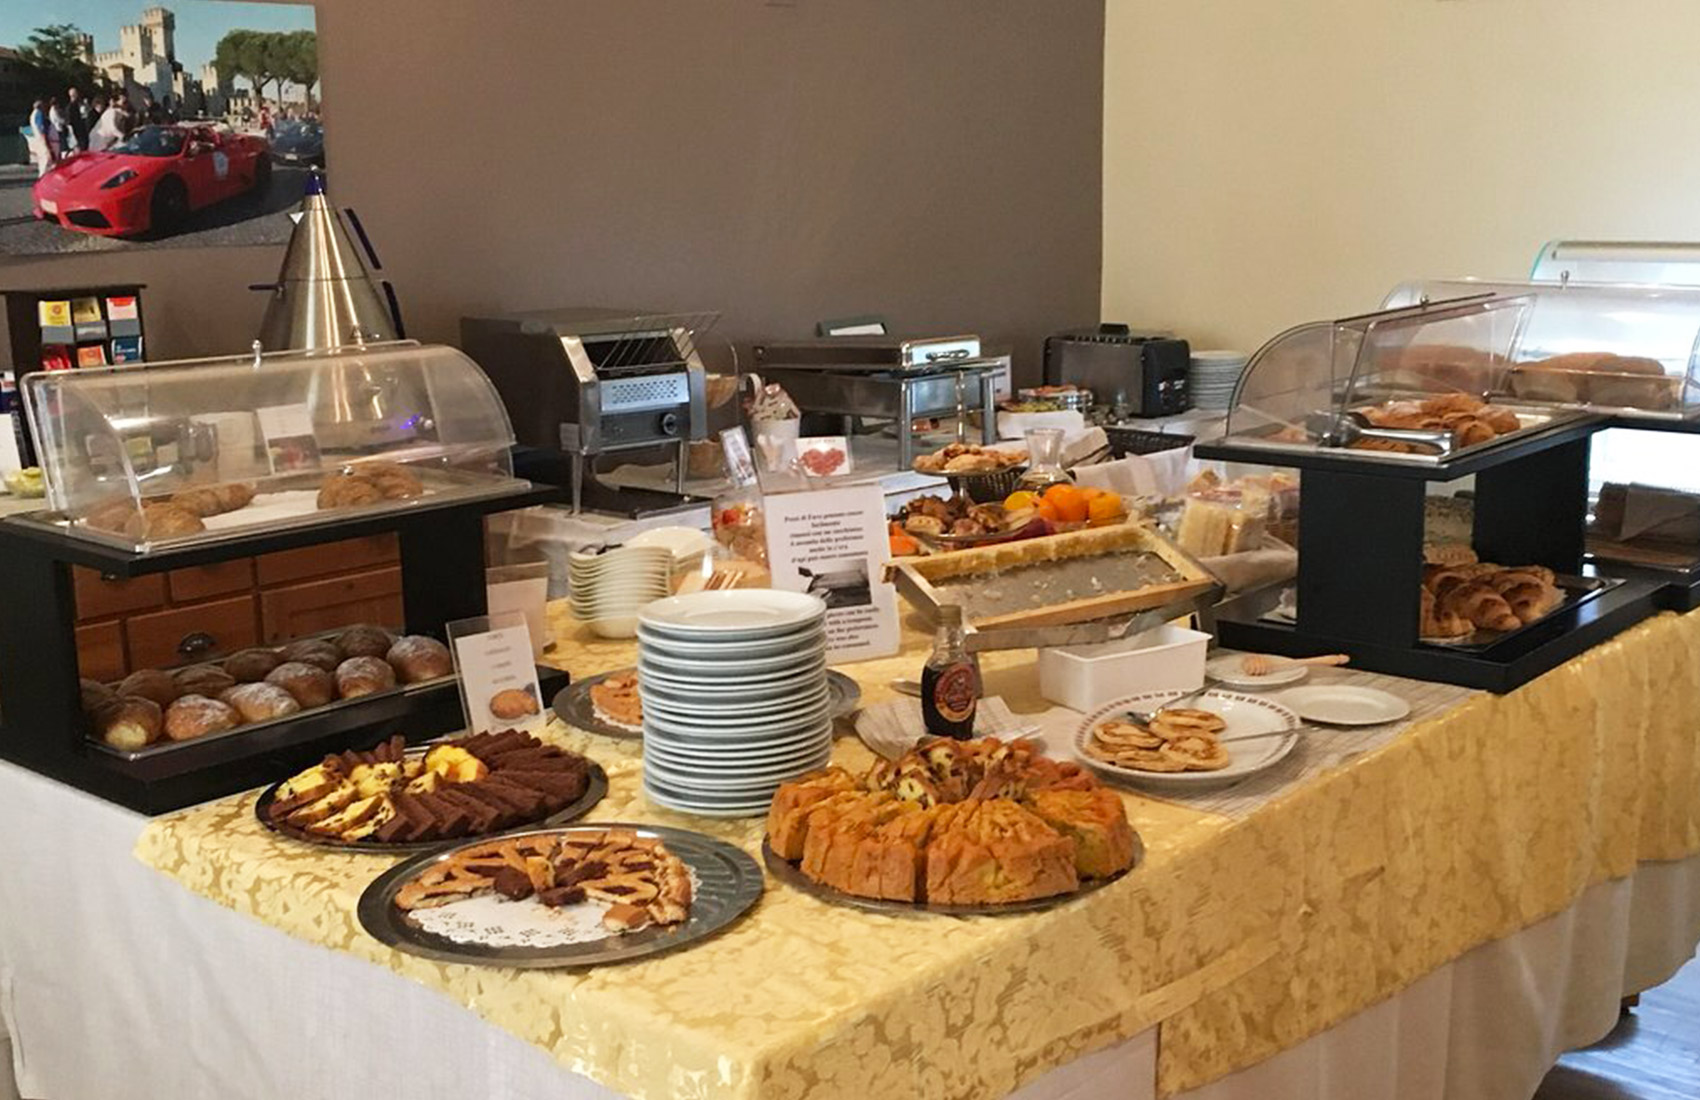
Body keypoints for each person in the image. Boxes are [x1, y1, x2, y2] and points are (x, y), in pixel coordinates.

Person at [25, 99, 56, 177]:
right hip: (45, 140)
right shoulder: (39, 114)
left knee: (44, 161)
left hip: (39, 140)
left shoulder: (33, 115)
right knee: (47, 160)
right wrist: (47, 145)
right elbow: (42, 130)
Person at [65, 87, 92, 154]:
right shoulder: (70, 108)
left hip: (82, 132)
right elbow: (69, 124)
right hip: (77, 134)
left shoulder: (79, 105)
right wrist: (73, 140)